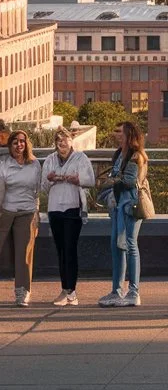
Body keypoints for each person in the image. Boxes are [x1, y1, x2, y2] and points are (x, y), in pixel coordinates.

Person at [42, 126, 95, 306]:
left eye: (65, 140)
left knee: (70, 248)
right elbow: (43, 187)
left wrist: (77, 179)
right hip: (55, 208)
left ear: (71, 141)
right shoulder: (50, 160)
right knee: (60, 250)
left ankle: (71, 291)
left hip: (73, 208)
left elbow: (91, 180)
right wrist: (50, 179)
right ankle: (65, 289)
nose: (62, 143)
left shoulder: (80, 158)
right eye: (58, 140)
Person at [98, 121, 148, 308]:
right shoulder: (120, 154)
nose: (116, 134)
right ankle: (117, 290)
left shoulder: (136, 156)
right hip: (119, 206)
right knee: (117, 246)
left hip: (130, 205)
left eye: (120, 132)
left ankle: (133, 291)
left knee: (130, 245)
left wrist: (111, 182)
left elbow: (129, 181)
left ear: (129, 135)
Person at [0, 130, 42, 306]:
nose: (19, 145)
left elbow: (38, 191)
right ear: (10, 146)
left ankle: (22, 292)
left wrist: (37, 213)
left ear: (27, 144)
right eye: (15, 142)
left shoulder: (34, 165)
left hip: (27, 212)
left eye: (22, 141)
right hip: (6, 211)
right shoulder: (3, 165)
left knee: (24, 254)